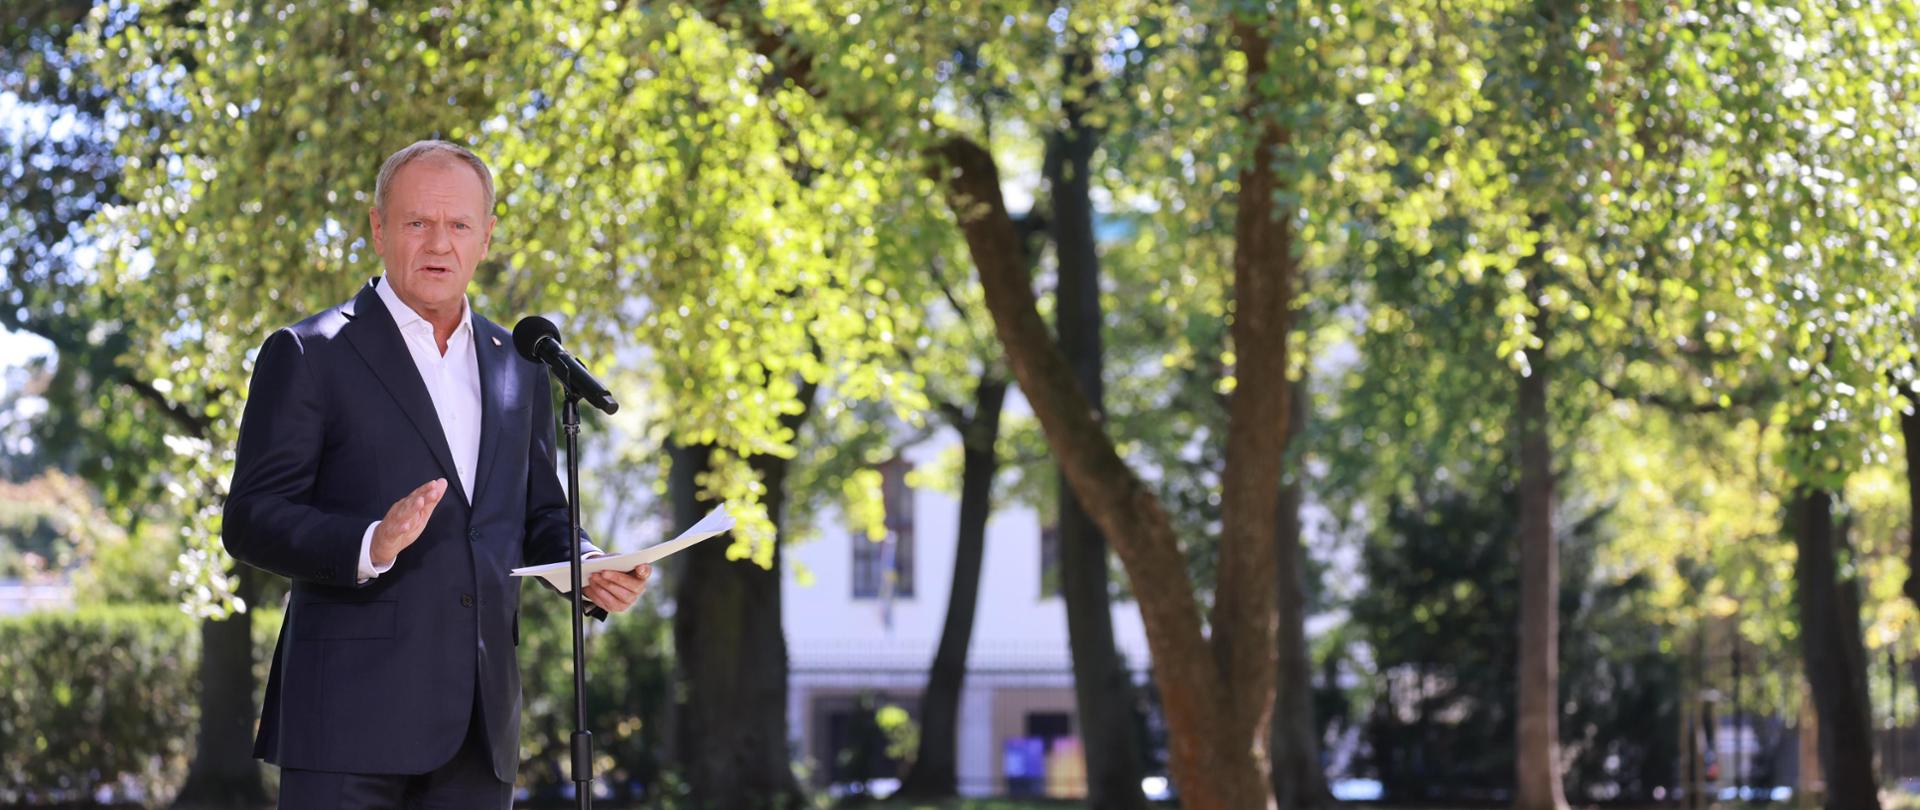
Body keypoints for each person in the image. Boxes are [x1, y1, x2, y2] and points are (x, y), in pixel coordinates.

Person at [223, 140, 651, 808]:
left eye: (458, 225)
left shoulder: (521, 365)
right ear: (378, 228)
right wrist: (370, 542)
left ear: (486, 237)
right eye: (417, 222)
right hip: (346, 721)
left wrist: (587, 566)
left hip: (480, 728)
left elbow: (535, 516)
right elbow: (251, 519)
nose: (438, 244)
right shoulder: (308, 353)